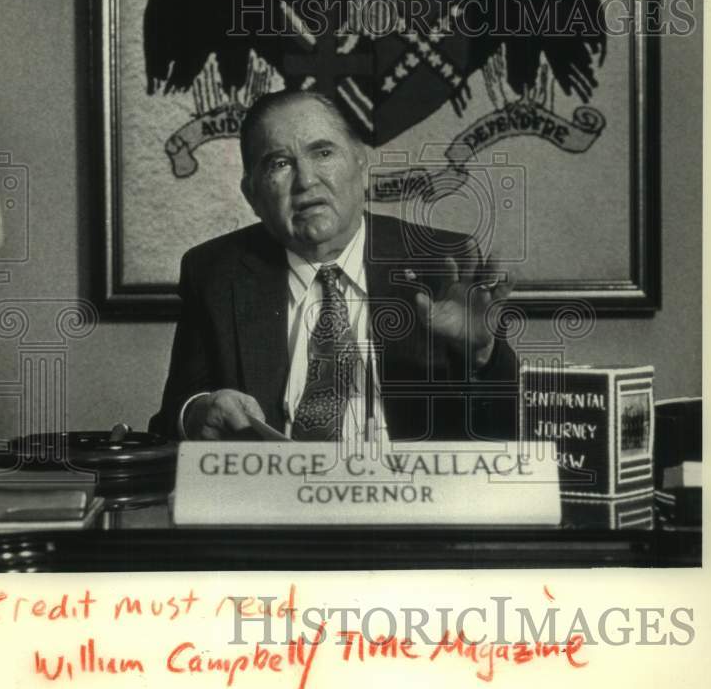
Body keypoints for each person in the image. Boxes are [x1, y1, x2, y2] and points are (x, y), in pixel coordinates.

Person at [150, 90, 518, 442]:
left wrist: (483, 356)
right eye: (279, 163)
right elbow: (173, 417)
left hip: (413, 498)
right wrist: (198, 412)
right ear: (252, 194)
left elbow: (507, 432)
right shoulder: (216, 270)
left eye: (323, 152)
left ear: (360, 165)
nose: (306, 181)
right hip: (274, 498)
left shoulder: (440, 261)